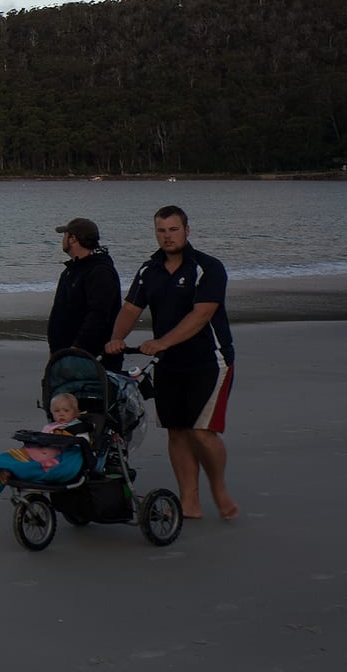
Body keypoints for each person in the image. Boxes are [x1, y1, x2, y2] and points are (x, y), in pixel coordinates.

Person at [105, 205, 238, 521]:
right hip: (168, 365)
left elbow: (202, 313)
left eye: (173, 229)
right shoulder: (148, 269)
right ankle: (189, 500)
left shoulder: (208, 268)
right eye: (161, 230)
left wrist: (163, 341)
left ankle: (218, 488)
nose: (167, 236)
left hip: (210, 361)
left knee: (202, 432)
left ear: (187, 230)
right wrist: (115, 340)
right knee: (177, 432)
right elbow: (129, 310)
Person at [47, 217, 123, 371]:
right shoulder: (72, 270)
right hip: (64, 356)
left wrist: (77, 348)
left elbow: (99, 315)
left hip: (89, 359)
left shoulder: (100, 270)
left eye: (65, 235)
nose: (63, 239)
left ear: (73, 239)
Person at [0, 392, 93, 491]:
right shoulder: (50, 426)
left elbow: (83, 444)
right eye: (57, 411)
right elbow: (42, 440)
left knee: (36, 466)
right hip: (45, 451)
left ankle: (14, 471)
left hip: (62, 454)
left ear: (76, 412)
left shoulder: (79, 428)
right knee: (14, 454)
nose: (61, 414)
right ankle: (5, 469)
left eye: (66, 410)